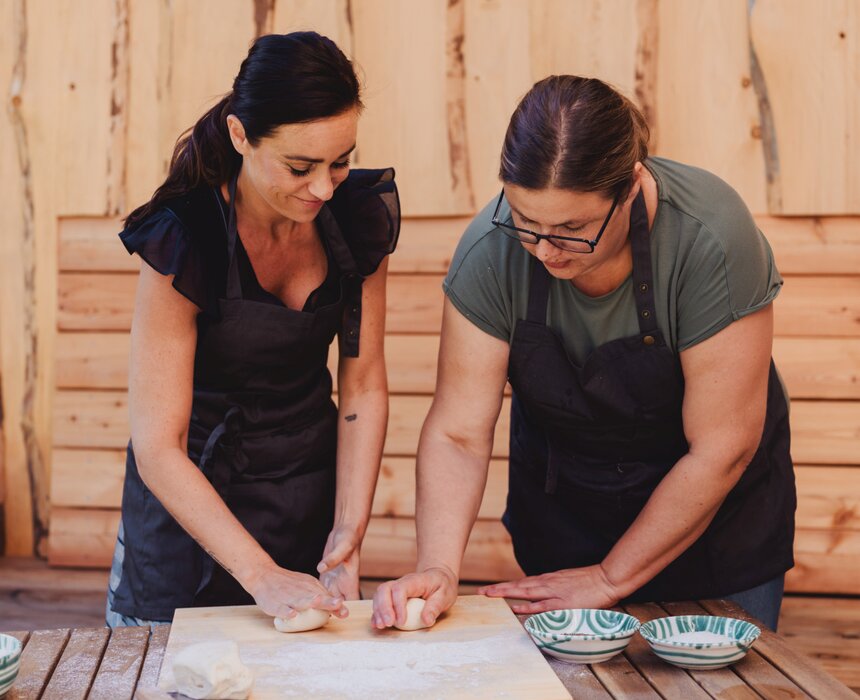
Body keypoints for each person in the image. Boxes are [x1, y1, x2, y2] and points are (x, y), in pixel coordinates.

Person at [371, 75, 794, 632]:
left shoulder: (709, 238)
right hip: (567, 524)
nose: (545, 250)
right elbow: (458, 433)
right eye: (526, 221)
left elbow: (722, 447)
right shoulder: (491, 251)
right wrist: (438, 567)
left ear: (630, 187)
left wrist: (610, 578)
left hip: (715, 533)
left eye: (572, 228)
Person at [105, 32, 399, 627]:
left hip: (304, 495)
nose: (324, 187)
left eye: (340, 161)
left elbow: (363, 386)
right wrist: (260, 574)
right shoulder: (185, 235)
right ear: (240, 136)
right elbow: (158, 447)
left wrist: (348, 530)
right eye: (299, 167)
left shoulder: (357, 216)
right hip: (188, 512)